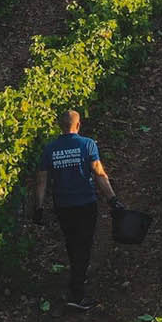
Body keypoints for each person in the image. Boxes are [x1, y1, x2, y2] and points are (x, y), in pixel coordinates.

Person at [31, 109, 120, 311]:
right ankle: (77, 293)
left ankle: (76, 279)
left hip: (63, 205)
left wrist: (39, 207)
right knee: (84, 245)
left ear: (59, 126)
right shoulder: (87, 144)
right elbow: (99, 173)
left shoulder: (50, 149)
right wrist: (112, 199)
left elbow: (41, 180)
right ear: (78, 125)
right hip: (85, 203)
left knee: (72, 243)